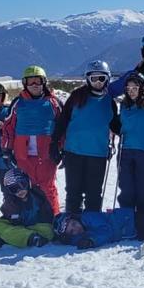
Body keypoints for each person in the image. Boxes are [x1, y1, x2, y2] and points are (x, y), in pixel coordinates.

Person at [54, 60, 117, 214]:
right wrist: (54, 143)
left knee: (93, 193)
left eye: (101, 78)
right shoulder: (77, 96)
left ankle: (92, 222)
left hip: (97, 153)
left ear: (107, 79)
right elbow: (63, 121)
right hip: (74, 152)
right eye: (93, 78)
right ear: (88, 79)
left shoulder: (109, 101)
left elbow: (116, 125)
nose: (97, 82)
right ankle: (71, 221)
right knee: (73, 191)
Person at [1, 65, 62, 213]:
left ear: (44, 82)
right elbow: (8, 127)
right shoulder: (18, 103)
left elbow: (62, 129)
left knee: (48, 186)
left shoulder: (54, 103)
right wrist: (7, 150)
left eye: (38, 81)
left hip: (47, 154)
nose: (34, 85)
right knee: (24, 187)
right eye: (30, 81)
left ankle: (54, 217)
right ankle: (27, 217)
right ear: (25, 83)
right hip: (23, 155)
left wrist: (62, 149)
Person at [109, 73, 144, 233]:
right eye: (128, 88)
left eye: (135, 87)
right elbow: (121, 124)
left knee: (142, 188)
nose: (131, 91)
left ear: (143, 88)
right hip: (126, 150)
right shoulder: (125, 106)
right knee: (126, 187)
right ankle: (127, 219)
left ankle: (143, 219)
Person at [0, 169, 54, 248]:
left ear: (28, 183)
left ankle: (14, 238)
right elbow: (9, 218)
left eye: (22, 185)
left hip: (36, 226)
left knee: (48, 231)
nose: (19, 191)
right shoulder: (10, 202)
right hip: (20, 226)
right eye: (14, 189)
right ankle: (30, 238)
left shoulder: (38, 196)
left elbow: (47, 216)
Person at [53, 207, 137, 250]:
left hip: (130, 219)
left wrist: (92, 241)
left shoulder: (89, 217)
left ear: (76, 218)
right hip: (130, 232)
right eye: (72, 231)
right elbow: (75, 240)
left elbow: (107, 231)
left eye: (74, 224)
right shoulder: (79, 236)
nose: (76, 229)